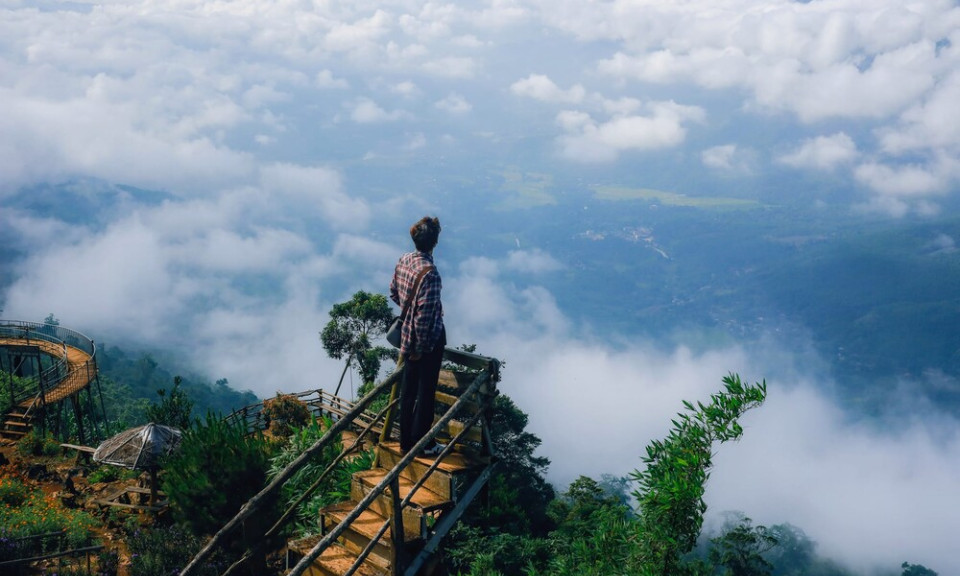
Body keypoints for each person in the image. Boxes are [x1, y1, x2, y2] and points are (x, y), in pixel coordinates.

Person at [390, 216, 446, 456]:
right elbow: (424, 317)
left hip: (406, 338)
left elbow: (393, 292)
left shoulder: (404, 260)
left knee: (408, 391)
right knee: (425, 393)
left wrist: (407, 313)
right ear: (434, 242)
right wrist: (420, 348)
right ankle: (422, 444)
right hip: (426, 342)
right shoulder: (431, 274)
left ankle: (405, 443)